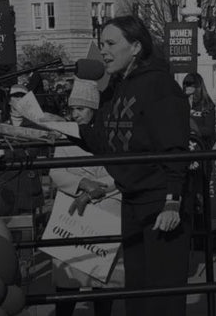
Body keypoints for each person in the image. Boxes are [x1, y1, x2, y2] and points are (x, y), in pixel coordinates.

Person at [64, 16, 193, 314]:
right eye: (101, 44)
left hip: (160, 202)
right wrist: (57, 127)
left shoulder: (161, 85)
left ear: (135, 46)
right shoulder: (115, 87)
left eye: (111, 43)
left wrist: (172, 201)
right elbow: (103, 142)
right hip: (132, 201)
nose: (104, 51)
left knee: (163, 299)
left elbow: (175, 146)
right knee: (136, 294)